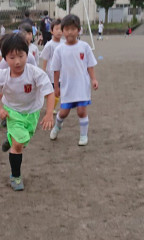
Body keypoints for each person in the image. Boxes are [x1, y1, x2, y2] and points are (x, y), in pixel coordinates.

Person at [0, 34, 54, 192]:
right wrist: (0, 110)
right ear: (5, 58)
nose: (17, 61)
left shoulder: (35, 73)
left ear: (28, 54)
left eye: (21, 56)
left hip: (32, 112)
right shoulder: (1, 76)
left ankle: (10, 139)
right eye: (12, 57)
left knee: (22, 141)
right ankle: (15, 176)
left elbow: (49, 93)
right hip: (13, 112)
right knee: (18, 145)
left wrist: (49, 114)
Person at [49, 14, 98, 147]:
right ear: (63, 31)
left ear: (79, 30)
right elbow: (56, 69)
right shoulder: (59, 50)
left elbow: (90, 65)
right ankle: (57, 127)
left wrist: (93, 79)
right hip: (67, 86)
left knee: (81, 111)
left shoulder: (85, 47)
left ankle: (83, 135)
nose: (70, 32)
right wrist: (56, 87)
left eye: (73, 29)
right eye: (67, 29)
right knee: (63, 112)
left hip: (82, 85)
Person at [40, 18, 62, 113]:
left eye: (61, 29)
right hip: (51, 73)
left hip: (61, 73)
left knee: (58, 93)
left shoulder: (64, 43)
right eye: (57, 29)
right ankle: (49, 103)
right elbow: (45, 58)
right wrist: (44, 70)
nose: (59, 31)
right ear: (51, 31)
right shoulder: (49, 45)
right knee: (52, 91)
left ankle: (51, 107)